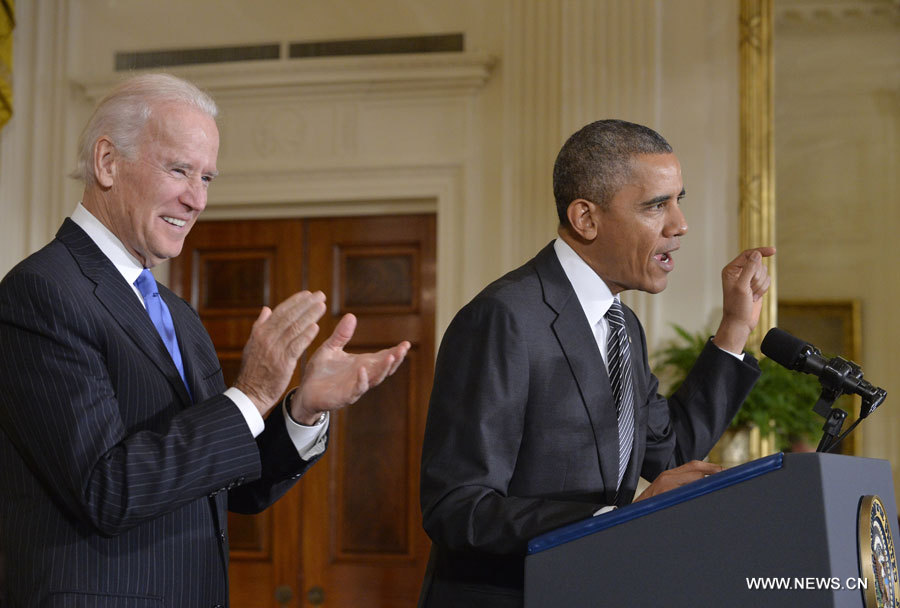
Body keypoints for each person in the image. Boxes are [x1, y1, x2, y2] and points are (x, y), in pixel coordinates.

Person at [0, 73, 410, 607]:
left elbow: (226, 484)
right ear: (107, 162)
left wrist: (298, 410)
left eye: (208, 178)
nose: (196, 199)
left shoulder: (176, 314)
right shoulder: (42, 293)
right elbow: (107, 488)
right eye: (179, 170)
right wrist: (252, 394)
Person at [418, 119, 773, 607]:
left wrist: (735, 325)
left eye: (679, 200)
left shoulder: (623, 326)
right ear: (586, 218)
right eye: (656, 205)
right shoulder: (504, 318)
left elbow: (668, 455)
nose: (679, 224)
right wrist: (617, 517)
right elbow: (458, 508)